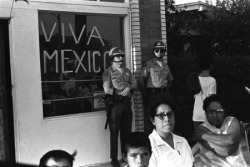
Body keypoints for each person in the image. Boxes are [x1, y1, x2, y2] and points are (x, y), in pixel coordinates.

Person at [102, 47, 138, 167]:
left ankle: (125, 156)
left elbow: (135, 84)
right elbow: (107, 89)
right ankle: (113, 158)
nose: (121, 59)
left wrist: (128, 88)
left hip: (126, 104)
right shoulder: (108, 72)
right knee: (114, 133)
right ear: (112, 58)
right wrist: (119, 92)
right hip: (115, 104)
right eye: (118, 56)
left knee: (126, 132)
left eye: (122, 56)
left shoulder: (127, 71)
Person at [192, 94, 248, 167]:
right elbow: (225, 151)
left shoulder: (232, 121)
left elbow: (230, 141)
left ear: (225, 112)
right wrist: (237, 135)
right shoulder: (202, 128)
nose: (214, 115)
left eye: (219, 111)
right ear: (205, 113)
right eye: (211, 111)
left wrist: (202, 136)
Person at [138, 40, 173, 135]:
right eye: (157, 50)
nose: (159, 53)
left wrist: (166, 90)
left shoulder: (166, 66)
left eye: (162, 51)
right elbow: (141, 80)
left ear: (164, 52)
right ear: (153, 51)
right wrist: (145, 93)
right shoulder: (148, 65)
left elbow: (170, 80)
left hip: (163, 94)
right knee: (152, 118)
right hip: (152, 94)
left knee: (164, 117)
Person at [148, 98, 194, 167]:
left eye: (170, 114)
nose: (167, 119)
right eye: (161, 116)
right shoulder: (149, 145)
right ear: (153, 120)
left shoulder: (182, 141)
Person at [192, 51, 216, 129]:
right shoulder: (212, 80)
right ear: (210, 65)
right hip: (207, 116)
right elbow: (212, 100)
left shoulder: (194, 78)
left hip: (196, 115)